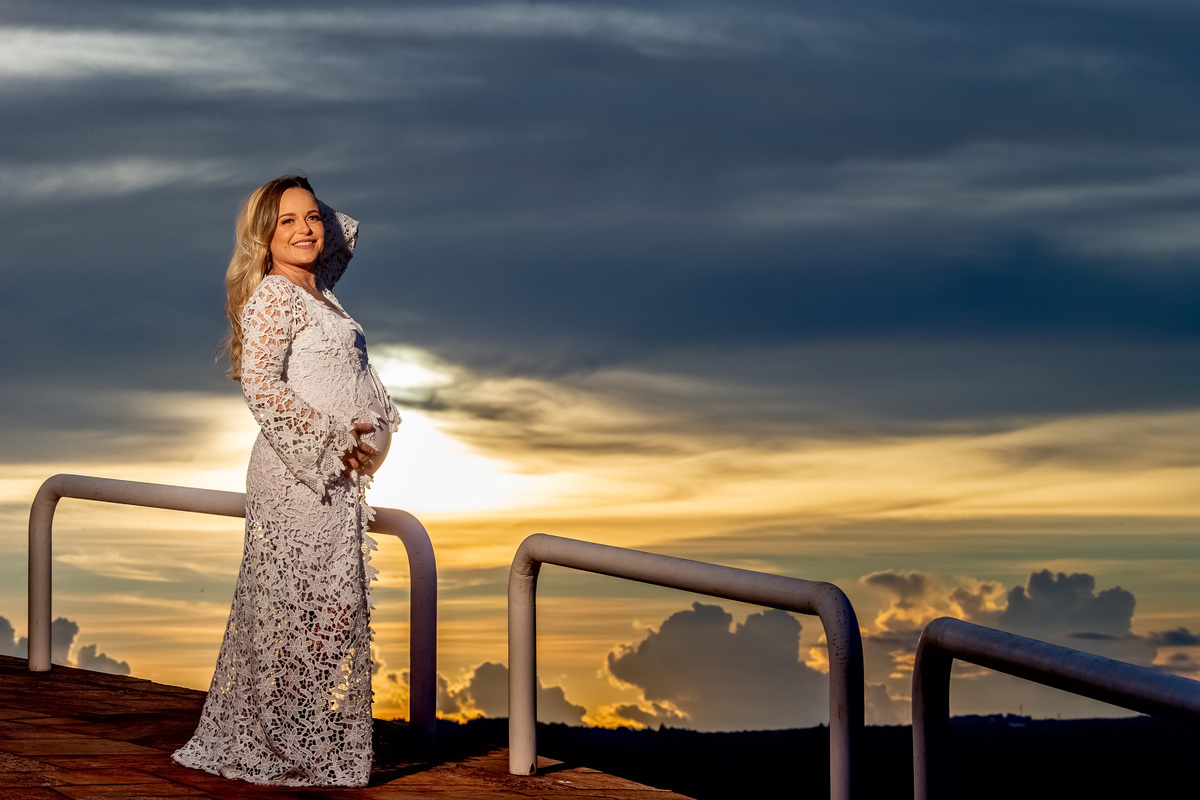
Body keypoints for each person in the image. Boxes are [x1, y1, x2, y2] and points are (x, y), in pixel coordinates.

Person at [173, 175, 400, 786]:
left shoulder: (324, 294)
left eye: (311, 217)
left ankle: (301, 732)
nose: (305, 229)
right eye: (287, 221)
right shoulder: (275, 297)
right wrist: (333, 439)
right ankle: (279, 740)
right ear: (264, 237)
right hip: (294, 474)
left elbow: (342, 241)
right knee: (295, 611)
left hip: (336, 484)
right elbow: (262, 385)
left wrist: (370, 440)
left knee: (332, 613)